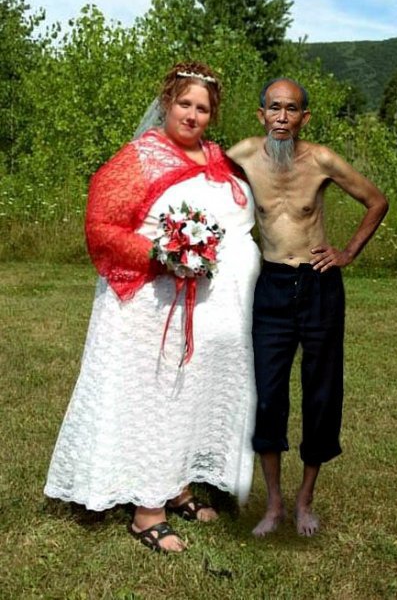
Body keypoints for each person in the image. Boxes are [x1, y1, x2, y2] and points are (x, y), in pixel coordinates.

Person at [44, 61, 261, 553]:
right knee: (156, 400)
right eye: (184, 103)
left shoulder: (217, 159)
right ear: (167, 103)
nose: (192, 114)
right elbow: (101, 226)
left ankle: (176, 485)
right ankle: (147, 512)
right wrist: (164, 254)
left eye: (202, 108)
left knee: (187, 397)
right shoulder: (139, 158)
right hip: (148, 307)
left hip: (202, 310)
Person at [227, 77, 388, 537]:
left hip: (318, 284)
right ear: (261, 114)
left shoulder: (321, 160)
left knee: (321, 392)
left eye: (291, 109)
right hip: (271, 285)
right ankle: (274, 503)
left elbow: (376, 201)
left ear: (304, 117)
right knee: (267, 393)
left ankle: (304, 501)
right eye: (274, 108)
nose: (282, 117)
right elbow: (199, 180)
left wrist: (347, 252)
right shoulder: (242, 155)